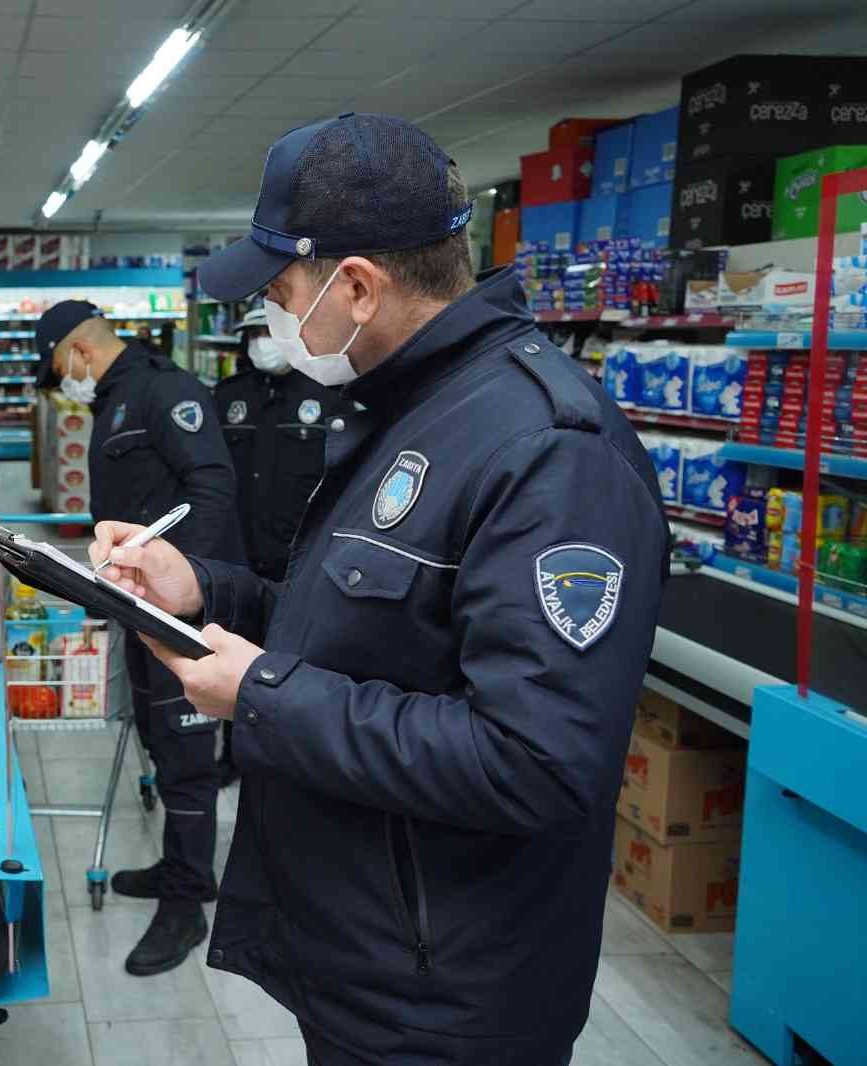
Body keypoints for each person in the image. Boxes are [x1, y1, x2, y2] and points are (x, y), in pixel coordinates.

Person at [90, 115, 668, 1065]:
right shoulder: (412, 408)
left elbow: (536, 762)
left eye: (280, 293)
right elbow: (363, 636)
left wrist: (261, 694)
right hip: (367, 954)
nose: (273, 322)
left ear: (356, 286)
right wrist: (206, 590)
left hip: (448, 999)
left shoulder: (548, 454)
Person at [33, 300, 244, 976]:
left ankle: (186, 906)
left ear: (77, 354)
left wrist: (188, 597)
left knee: (185, 757)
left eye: (57, 370)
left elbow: (213, 488)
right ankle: (182, 868)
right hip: (139, 606)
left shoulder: (165, 391)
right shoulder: (118, 400)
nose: (63, 381)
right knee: (157, 737)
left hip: (176, 612)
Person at [211, 307, 340, 786]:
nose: (264, 342)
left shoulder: (330, 398)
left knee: (294, 662)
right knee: (232, 655)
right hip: (238, 554)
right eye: (255, 334)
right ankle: (233, 752)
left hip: (301, 558)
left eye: (271, 331)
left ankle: (286, 751)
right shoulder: (228, 399)